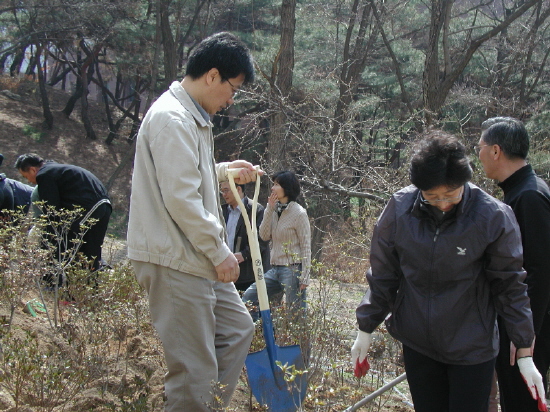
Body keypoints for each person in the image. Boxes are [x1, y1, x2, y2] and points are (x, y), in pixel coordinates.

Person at [351, 131, 545, 412]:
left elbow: (510, 285)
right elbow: (383, 272)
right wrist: (366, 327)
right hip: (419, 341)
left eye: (450, 194)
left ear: (464, 182)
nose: (442, 203)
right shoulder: (400, 209)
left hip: (472, 347)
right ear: (419, 188)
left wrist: (524, 349)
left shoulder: (492, 216)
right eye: (432, 196)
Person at [126, 32, 260, 412]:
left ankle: (204, 406)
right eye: (233, 88)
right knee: (193, 370)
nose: (232, 99)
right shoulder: (173, 118)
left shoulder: (192, 118)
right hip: (174, 257)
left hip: (191, 254)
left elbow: (184, 176)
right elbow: (182, 200)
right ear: (213, 76)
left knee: (237, 329)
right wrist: (220, 253)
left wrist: (221, 172)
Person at [478, 117, 550, 412]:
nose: (477, 153)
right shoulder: (521, 190)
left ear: (496, 151)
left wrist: (524, 336)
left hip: (528, 330)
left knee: (522, 403)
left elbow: (539, 272)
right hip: (522, 324)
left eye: (479, 147)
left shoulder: (529, 196)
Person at [15, 153, 111, 275]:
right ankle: (92, 288)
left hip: (90, 206)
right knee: (91, 251)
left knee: (68, 246)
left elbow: (51, 211)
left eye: (26, 176)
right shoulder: (55, 170)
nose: (29, 181)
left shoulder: (44, 175)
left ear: (32, 170)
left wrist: (47, 241)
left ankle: (67, 286)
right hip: (104, 205)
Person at [242, 170, 311, 322]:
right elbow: (264, 235)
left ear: (287, 188)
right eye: (273, 184)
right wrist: (269, 209)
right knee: (249, 297)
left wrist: (305, 275)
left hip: (293, 269)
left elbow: (306, 246)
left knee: (296, 314)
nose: (273, 188)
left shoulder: (299, 213)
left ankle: (300, 346)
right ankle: (255, 335)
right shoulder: (273, 210)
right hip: (274, 269)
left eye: (277, 185)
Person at [220, 181, 270, 292]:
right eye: (222, 191)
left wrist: (244, 254)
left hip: (249, 275)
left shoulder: (255, 210)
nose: (224, 194)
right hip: (226, 273)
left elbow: (262, 239)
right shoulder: (221, 211)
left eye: (226, 190)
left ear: (238, 189)